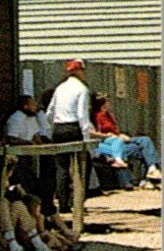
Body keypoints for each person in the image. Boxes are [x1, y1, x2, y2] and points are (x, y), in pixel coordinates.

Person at [46, 59, 94, 213]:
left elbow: (50, 112)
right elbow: (82, 115)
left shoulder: (60, 88)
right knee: (81, 166)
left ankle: (63, 203)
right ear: (78, 71)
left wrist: (52, 126)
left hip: (58, 128)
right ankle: (78, 201)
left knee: (61, 168)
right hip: (74, 128)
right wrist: (86, 137)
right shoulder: (82, 89)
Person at [92, 92, 160, 186]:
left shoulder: (110, 115)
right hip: (110, 144)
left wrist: (121, 135)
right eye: (107, 101)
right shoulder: (98, 116)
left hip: (119, 140)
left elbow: (116, 131)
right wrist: (109, 136)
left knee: (145, 143)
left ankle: (151, 170)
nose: (109, 103)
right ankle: (141, 178)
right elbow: (99, 134)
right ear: (101, 103)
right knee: (140, 148)